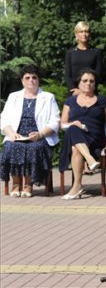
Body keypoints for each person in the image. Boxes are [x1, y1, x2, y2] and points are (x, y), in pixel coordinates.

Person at [0, 65, 60, 197]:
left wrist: (40, 134)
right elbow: (3, 119)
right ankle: (16, 185)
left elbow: (55, 121)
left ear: (38, 80)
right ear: (22, 80)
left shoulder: (48, 97)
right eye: (27, 77)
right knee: (11, 146)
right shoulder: (13, 96)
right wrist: (11, 133)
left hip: (39, 137)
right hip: (17, 134)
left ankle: (28, 185)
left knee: (33, 148)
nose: (31, 80)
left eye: (34, 77)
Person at [59, 69, 106, 200]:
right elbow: (62, 125)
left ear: (95, 84)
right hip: (75, 137)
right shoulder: (70, 102)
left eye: (91, 81)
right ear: (79, 84)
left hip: (95, 139)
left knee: (75, 146)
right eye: (85, 80)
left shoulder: (102, 101)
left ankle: (77, 187)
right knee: (73, 130)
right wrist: (75, 124)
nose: (88, 83)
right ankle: (89, 161)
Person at [64, 21, 102, 96]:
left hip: (91, 92)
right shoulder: (70, 52)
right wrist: (75, 90)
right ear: (76, 34)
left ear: (89, 34)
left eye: (86, 32)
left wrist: (88, 90)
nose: (84, 34)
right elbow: (67, 75)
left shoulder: (96, 52)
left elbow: (98, 74)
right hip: (74, 93)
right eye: (81, 32)